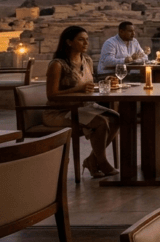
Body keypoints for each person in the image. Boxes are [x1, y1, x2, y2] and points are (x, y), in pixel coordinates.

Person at [45, 26, 121, 178]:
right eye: (81, 39)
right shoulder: (58, 65)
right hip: (61, 112)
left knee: (116, 118)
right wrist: (78, 89)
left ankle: (92, 160)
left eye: (87, 39)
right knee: (100, 122)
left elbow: (88, 85)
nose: (86, 43)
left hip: (85, 108)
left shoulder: (86, 60)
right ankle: (102, 161)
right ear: (69, 42)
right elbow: (51, 95)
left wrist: (105, 82)